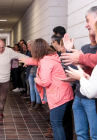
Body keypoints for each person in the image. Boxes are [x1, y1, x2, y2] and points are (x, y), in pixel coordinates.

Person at [19, 38, 74, 140]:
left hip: (58, 96)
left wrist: (37, 80)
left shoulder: (45, 61)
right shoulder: (50, 56)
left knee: (56, 124)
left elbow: (45, 82)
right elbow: (37, 61)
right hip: (65, 93)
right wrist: (27, 60)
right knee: (65, 122)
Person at [59, 6, 97, 140]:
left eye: (88, 21)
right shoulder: (85, 48)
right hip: (79, 95)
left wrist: (80, 69)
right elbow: (79, 70)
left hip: (92, 99)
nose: (87, 27)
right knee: (80, 133)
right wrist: (69, 51)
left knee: (94, 134)